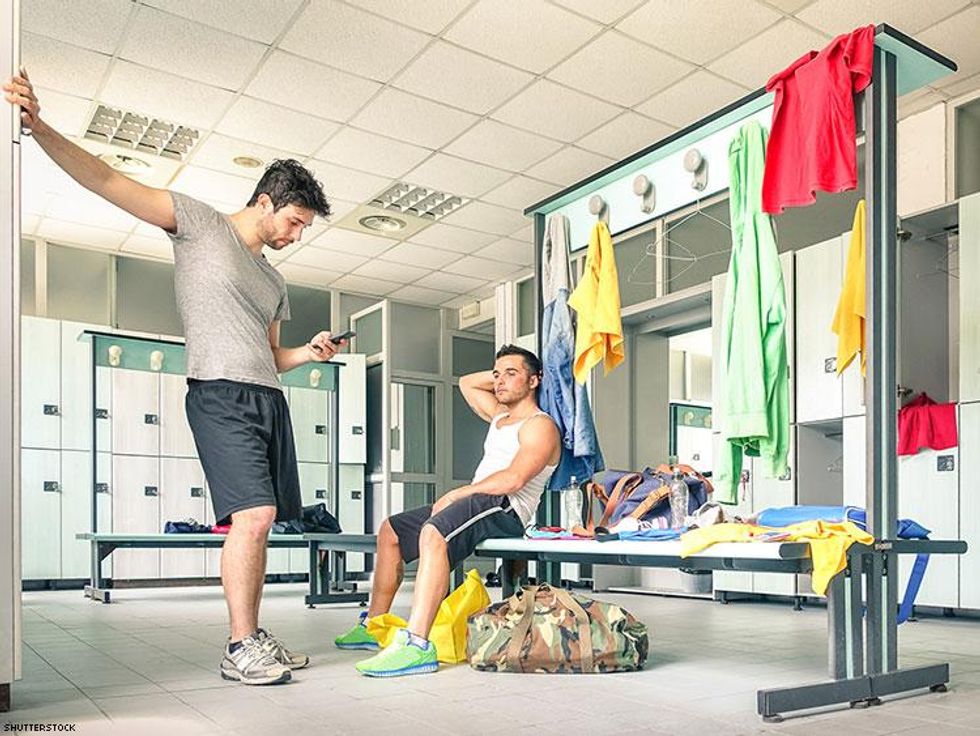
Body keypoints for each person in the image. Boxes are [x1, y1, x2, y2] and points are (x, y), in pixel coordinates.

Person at [5, 70, 343, 686]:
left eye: (304, 228)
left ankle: (253, 633)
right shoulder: (200, 224)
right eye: (295, 221)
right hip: (218, 394)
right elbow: (108, 181)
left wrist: (309, 354)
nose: (297, 235)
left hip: (267, 398)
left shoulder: (275, 281)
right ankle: (239, 645)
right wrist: (39, 127)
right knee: (254, 516)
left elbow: (271, 356)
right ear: (265, 201)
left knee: (263, 521)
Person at [335, 345, 560, 677]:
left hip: (505, 508)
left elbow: (514, 479)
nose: (499, 381)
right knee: (391, 531)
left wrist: (458, 493)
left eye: (511, 374)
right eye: (496, 375)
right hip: (479, 500)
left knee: (433, 533)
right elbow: (467, 382)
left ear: (534, 380)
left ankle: (416, 645)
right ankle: (374, 625)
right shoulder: (500, 416)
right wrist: (506, 375)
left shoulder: (540, 425)